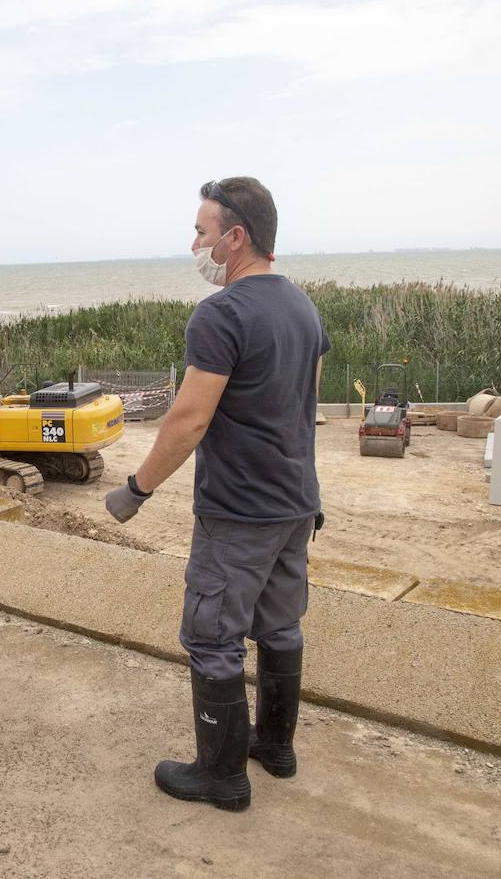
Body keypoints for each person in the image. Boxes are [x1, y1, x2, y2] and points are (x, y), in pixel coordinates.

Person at [104, 177, 329, 812]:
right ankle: (275, 747)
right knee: (280, 623)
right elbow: (302, 405)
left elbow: (189, 419)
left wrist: (137, 488)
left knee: (213, 637)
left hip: (239, 511)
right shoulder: (302, 307)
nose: (195, 242)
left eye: (202, 231)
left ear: (235, 238)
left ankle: (222, 775)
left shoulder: (221, 314)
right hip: (294, 504)